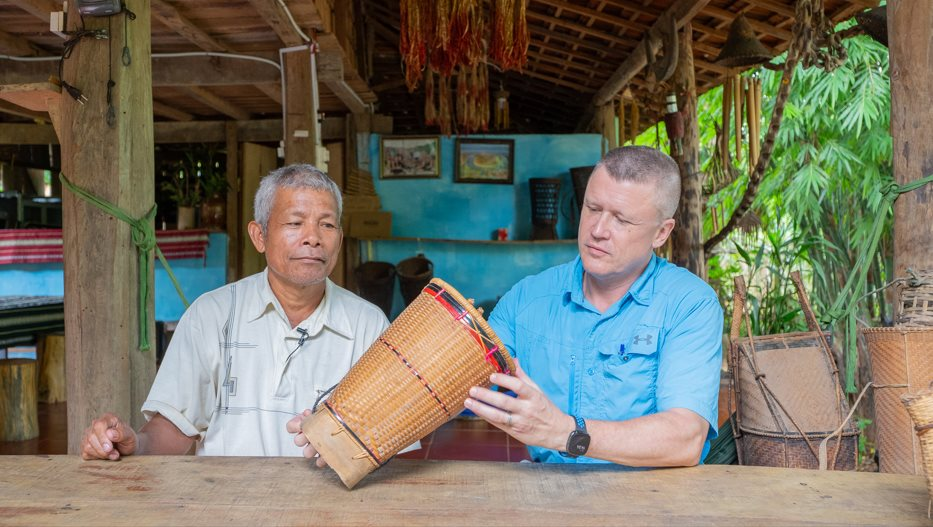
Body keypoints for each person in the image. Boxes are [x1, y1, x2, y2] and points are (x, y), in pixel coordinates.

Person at [80, 164, 389, 462]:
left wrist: (345, 444)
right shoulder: (212, 316)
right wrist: (131, 446)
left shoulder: (368, 325)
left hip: (329, 511)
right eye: (295, 223)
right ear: (259, 236)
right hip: (228, 509)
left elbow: (387, 442)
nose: (313, 237)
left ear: (339, 239)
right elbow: (173, 430)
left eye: (327, 224)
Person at [465, 146, 723, 466]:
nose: (598, 231)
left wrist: (565, 433)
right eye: (592, 208)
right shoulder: (527, 298)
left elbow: (685, 439)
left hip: (650, 504)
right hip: (547, 494)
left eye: (622, 220)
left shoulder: (689, 304)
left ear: (661, 233)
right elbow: (463, 382)